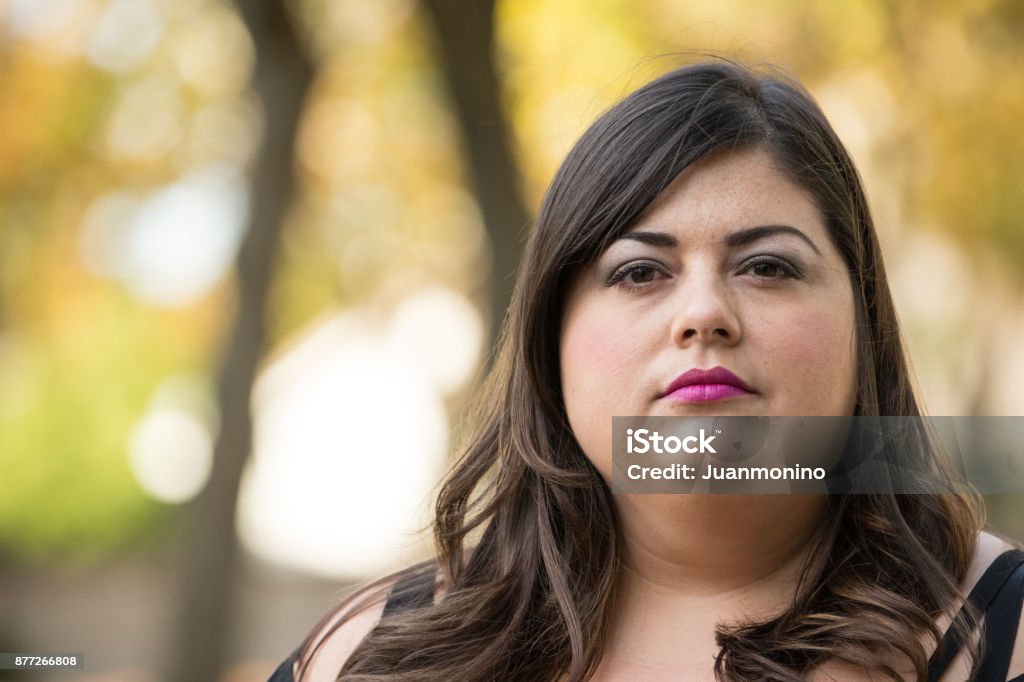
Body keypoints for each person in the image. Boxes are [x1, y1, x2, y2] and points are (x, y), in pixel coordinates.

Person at [270, 60, 1024, 681]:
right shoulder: (368, 654)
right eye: (638, 272)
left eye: (766, 266)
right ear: (550, 336)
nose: (703, 312)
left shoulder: (1005, 636)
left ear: (862, 323)